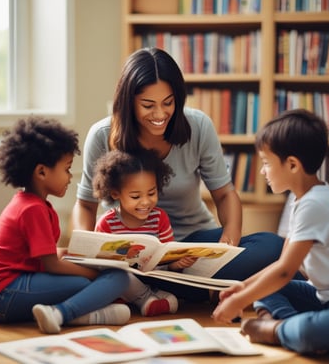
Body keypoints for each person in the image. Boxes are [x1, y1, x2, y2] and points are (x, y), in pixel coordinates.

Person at [71, 46, 286, 300]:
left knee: (273, 246)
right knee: (120, 271)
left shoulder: (198, 126)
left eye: (168, 103)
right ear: (128, 102)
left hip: (190, 245)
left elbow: (226, 194)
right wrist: (87, 255)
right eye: (148, 105)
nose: (160, 114)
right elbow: (85, 205)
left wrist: (228, 241)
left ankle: (165, 288)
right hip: (130, 253)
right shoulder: (102, 135)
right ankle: (193, 288)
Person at [212, 109, 329, 355]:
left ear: (292, 165)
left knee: (310, 330)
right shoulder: (301, 200)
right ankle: (284, 327)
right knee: (268, 288)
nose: (262, 171)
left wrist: (240, 300)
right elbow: (282, 264)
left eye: (267, 163)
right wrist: (242, 287)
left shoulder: (316, 203)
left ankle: (278, 330)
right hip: (326, 298)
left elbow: (285, 271)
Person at [0, 116, 131, 335]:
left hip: (13, 289)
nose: (70, 176)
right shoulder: (32, 209)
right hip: (5, 294)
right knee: (86, 284)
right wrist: (92, 273)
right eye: (67, 168)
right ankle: (61, 313)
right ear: (42, 172)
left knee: (109, 278)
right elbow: (51, 265)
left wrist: (84, 257)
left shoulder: (34, 204)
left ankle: (82, 314)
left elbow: (46, 256)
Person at [92, 148, 197, 316]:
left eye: (152, 193)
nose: (146, 202)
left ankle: (144, 299)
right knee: (118, 275)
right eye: (135, 196)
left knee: (171, 295)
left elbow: (167, 258)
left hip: (153, 278)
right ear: (115, 193)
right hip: (122, 280)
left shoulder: (159, 218)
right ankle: (144, 299)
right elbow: (99, 263)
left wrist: (177, 263)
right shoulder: (107, 223)